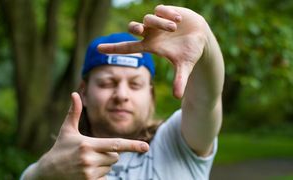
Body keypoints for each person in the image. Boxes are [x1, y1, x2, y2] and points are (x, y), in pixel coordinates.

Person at [21, 4, 224, 180]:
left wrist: (205, 42)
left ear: (151, 96)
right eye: (107, 83)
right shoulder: (60, 166)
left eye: (135, 84)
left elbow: (206, 100)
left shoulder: (177, 144)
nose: (122, 95)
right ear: (84, 93)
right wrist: (43, 173)